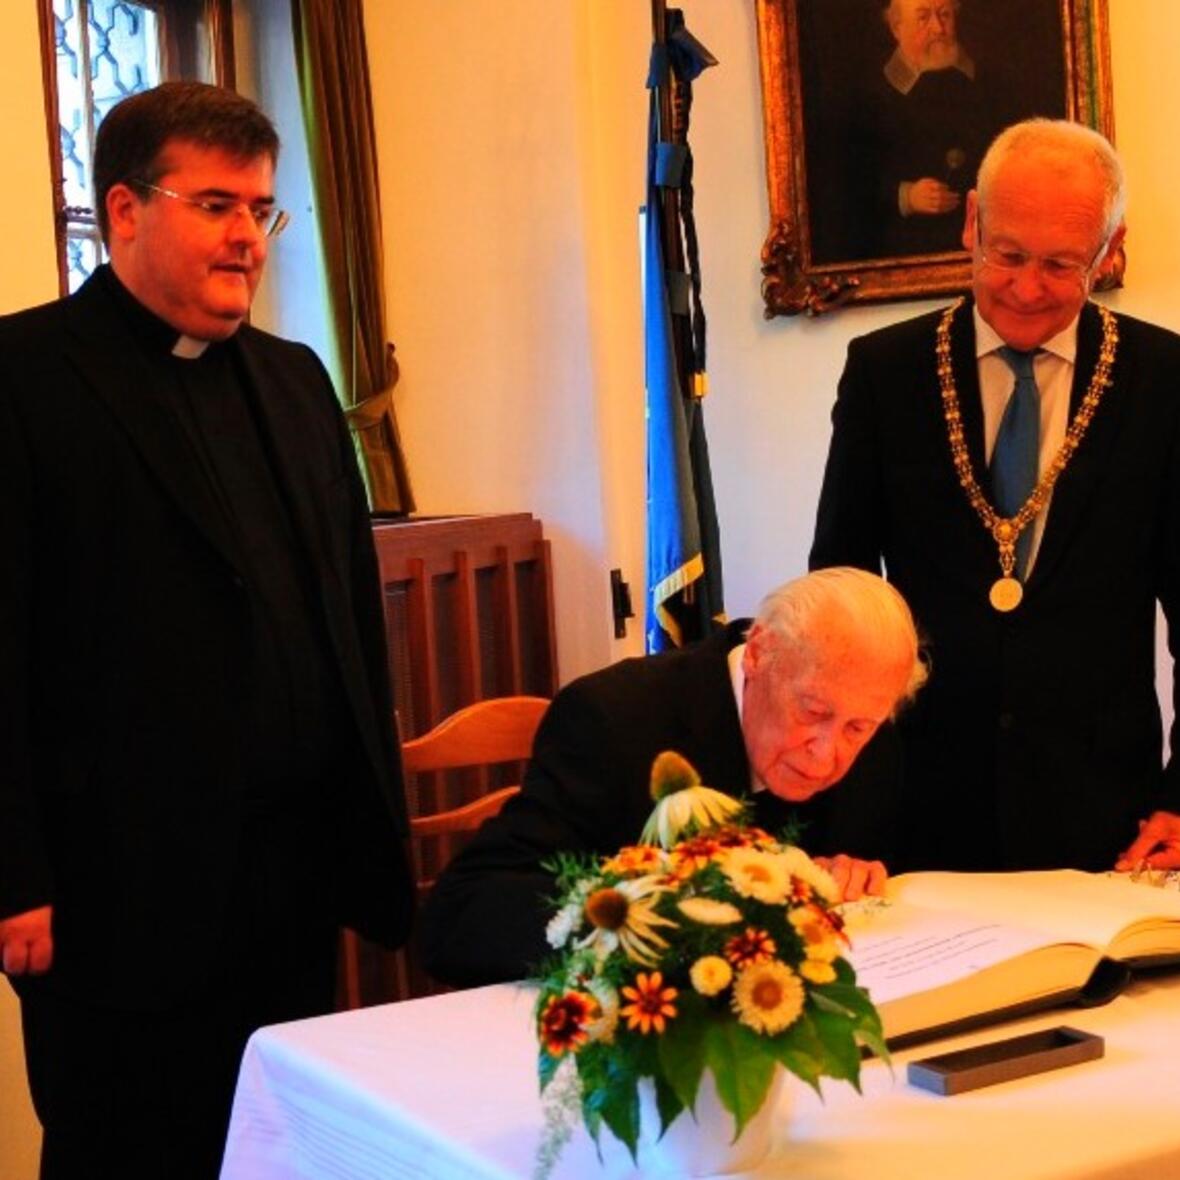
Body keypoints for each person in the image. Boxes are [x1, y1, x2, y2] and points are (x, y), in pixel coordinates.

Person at [0, 83, 413, 1179]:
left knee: (280, 1148)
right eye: (217, 205)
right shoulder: (21, 377)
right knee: (129, 1153)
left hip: (290, 875)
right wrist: (12, 871)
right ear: (125, 210)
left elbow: (346, 614)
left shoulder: (294, 377)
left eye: (261, 209)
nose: (248, 237)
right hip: (117, 888)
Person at [811, 118, 1180, 876]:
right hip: (915, 810)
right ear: (972, 221)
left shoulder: (1164, 379)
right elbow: (839, 593)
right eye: (1008, 254)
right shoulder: (886, 372)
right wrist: (843, 814)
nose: (1027, 287)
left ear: (1108, 251)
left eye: (1060, 264)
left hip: (1109, 819)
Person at [418, 567, 927, 988]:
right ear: (758, 653)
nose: (827, 753)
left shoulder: (872, 733)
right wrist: (652, 911)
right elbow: (460, 914)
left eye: (858, 728)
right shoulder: (614, 720)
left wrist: (853, 876)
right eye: (812, 711)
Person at [860, 0, 1003, 257]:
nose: (938, 28)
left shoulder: (987, 82)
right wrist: (907, 196)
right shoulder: (874, 92)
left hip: (980, 242)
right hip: (908, 247)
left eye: (944, 15)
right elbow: (853, 177)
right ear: (896, 28)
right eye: (923, 17)